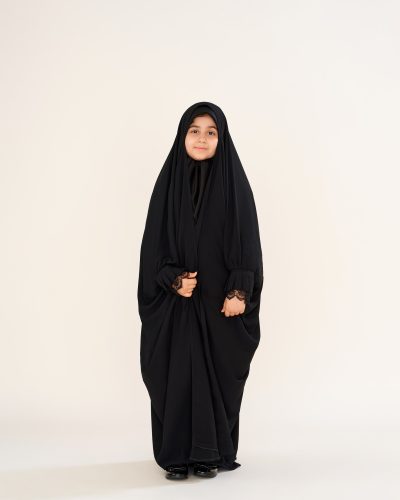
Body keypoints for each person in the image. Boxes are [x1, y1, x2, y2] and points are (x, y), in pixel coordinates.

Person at [137, 101, 263, 480]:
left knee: (216, 374)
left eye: (211, 132)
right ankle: (176, 454)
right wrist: (173, 279)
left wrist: (240, 290)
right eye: (194, 130)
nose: (202, 139)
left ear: (222, 139)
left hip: (219, 305)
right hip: (177, 306)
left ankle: (210, 453)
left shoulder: (235, 187)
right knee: (174, 374)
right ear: (183, 136)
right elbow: (153, 251)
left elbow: (248, 244)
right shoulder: (167, 187)